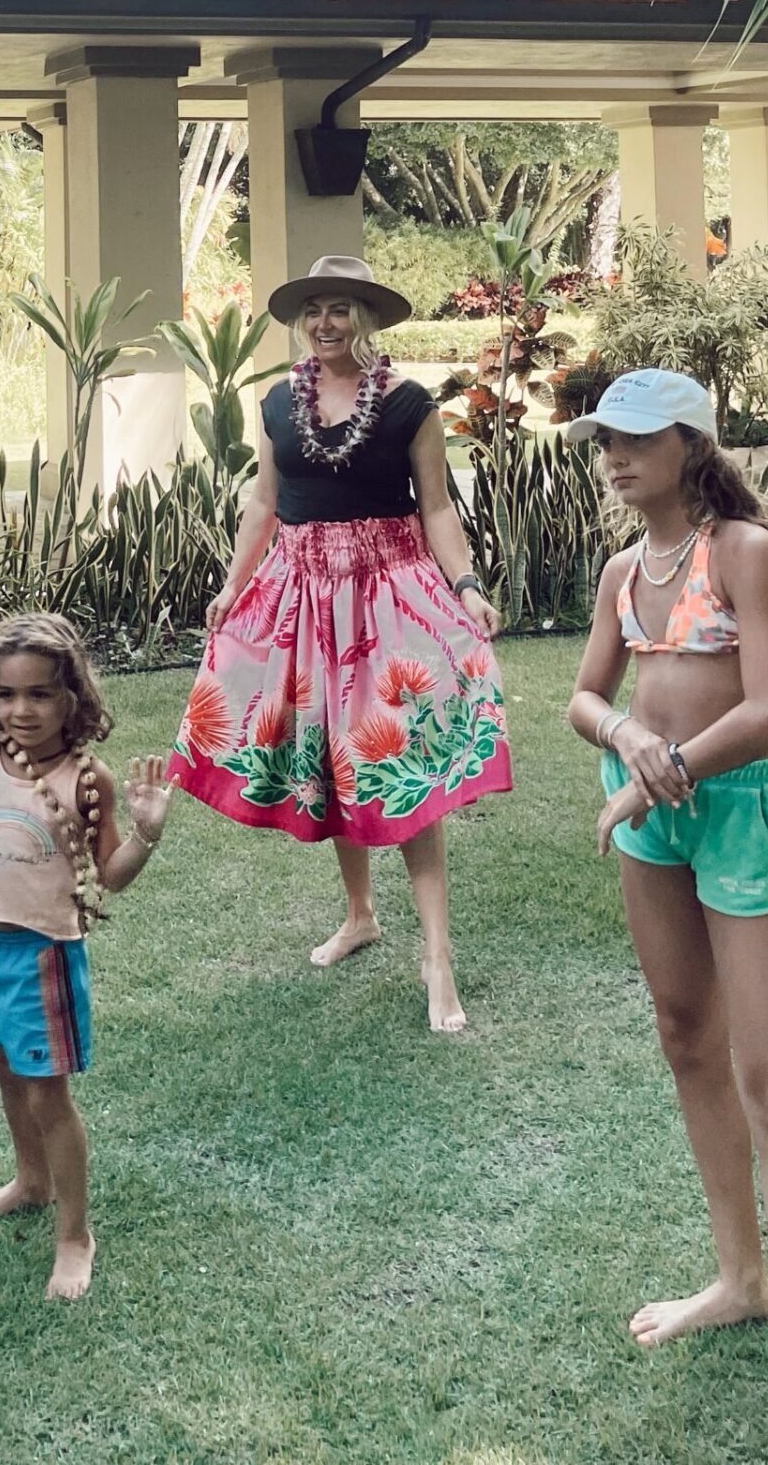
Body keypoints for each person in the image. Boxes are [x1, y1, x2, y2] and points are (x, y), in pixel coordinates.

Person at [564, 370, 768, 1465]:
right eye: (605, 441)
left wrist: (664, 763)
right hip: (651, 816)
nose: (615, 456)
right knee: (687, 1038)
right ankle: (739, 1277)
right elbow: (586, 693)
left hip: (735, 816)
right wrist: (624, 742)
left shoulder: (745, 551)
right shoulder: (624, 569)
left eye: (637, 438)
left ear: (692, 442)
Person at [168, 254, 509, 1032]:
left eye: (342, 309)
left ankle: (437, 959)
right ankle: (360, 915)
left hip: (387, 595)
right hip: (301, 592)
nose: (326, 323)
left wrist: (466, 587)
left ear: (368, 318)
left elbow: (438, 511)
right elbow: (264, 503)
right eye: (314, 309)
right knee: (326, 758)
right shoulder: (278, 403)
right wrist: (232, 582)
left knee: (399, 766)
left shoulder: (409, 404)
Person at [0, 610, 172, 1302]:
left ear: (72, 696)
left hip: (45, 953)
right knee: (1, 1065)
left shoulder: (88, 779)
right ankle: (31, 1180)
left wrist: (144, 835)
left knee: (47, 1091)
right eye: (6, 694)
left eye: (39, 694)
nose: (20, 710)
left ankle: (75, 1232)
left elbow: (108, 873)